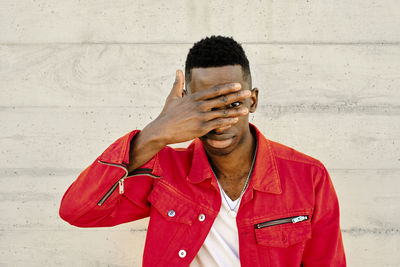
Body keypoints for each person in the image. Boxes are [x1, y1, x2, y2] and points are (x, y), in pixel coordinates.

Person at [59, 36, 346, 266]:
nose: (220, 123)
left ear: (253, 100)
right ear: (185, 104)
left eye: (233, 104)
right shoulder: (163, 170)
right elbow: (77, 211)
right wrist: (154, 134)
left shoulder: (307, 176)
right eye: (205, 107)